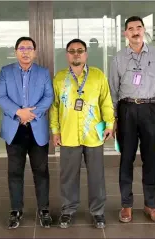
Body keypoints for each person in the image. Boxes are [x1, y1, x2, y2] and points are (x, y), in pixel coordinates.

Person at [108, 16, 155, 223]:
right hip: (127, 110)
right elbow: (112, 90)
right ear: (125, 33)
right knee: (127, 159)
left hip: (151, 110)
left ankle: (151, 205)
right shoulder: (117, 58)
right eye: (131, 28)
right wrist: (115, 117)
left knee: (150, 159)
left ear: (144, 30)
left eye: (138, 27)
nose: (135, 31)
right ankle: (126, 205)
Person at [50, 38, 114, 229]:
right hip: (68, 134)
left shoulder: (97, 75)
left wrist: (110, 124)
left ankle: (98, 212)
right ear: (67, 55)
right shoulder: (60, 78)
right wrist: (55, 130)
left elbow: (106, 101)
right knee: (68, 176)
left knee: (96, 176)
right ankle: (68, 210)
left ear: (86, 54)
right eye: (72, 51)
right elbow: (54, 107)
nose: (76, 54)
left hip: (93, 134)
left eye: (80, 50)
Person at [0, 36, 54, 229]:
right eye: (22, 48)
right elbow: (1, 96)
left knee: (41, 171)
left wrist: (32, 114)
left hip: (37, 128)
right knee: (14, 172)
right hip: (14, 129)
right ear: (15, 51)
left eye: (29, 48)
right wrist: (18, 112)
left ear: (35, 52)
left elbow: (49, 96)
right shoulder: (6, 72)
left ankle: (44, 209)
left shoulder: (43, 72)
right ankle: (16, 210)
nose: (25, 52)